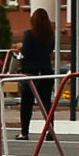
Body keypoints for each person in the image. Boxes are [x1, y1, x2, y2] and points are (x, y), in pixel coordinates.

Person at [16, 7, 56, 138]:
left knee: (27, 103)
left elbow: (26, 52)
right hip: (46, 71)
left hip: (31, 73)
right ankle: (50, 131)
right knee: (46, 104)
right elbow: (50, 50)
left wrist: (20, 48)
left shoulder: (30, 34)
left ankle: (24, 132)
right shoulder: (50, 35)